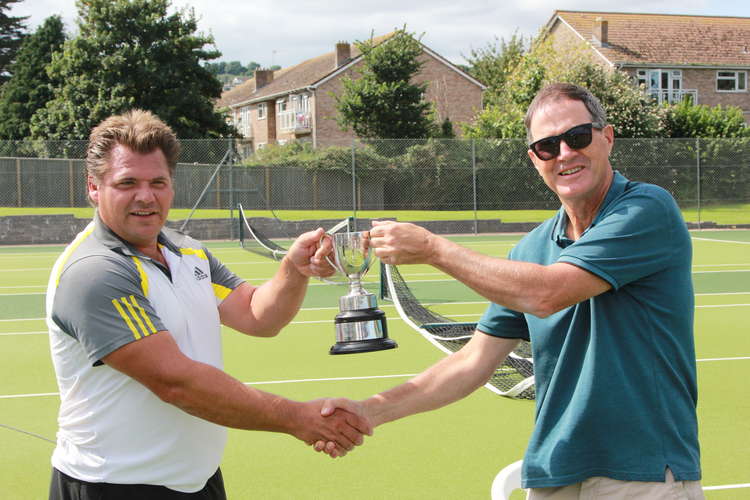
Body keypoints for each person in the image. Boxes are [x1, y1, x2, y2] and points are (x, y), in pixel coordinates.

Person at [318, 83, 703, 499]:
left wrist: (431, 248)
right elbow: (472, 362)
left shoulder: (646, 209)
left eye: (577, 137)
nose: (565, 154)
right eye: (547, 146)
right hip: (554, 469)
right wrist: (367, 411)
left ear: (606, 137)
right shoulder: (531, 248)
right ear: (533, 159)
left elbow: (548, 293)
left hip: (641, 470)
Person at [45, 109, 369, 500]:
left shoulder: (187, 251)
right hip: (115, 486)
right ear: (94, 188)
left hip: (196, 481)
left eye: (158, 182)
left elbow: (256, 314)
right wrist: (297, 419)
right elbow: (176, 383)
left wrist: (293, 269)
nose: (146, 196)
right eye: (127, 183)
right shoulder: (95, 272)